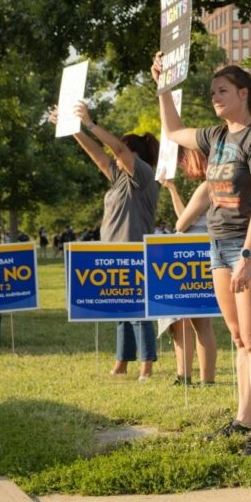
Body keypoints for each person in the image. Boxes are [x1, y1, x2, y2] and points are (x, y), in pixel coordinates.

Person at [154, 57, 251, 458]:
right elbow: (174, 130)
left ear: (243, 94)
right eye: (212, 93)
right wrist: (162, 87)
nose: (215, 98)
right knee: (239, 337)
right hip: (218, 242)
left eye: (222, 91)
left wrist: (247, 255)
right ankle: (243, 418)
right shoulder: (216, 137)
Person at [54, 101, 160, 382]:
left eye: (122, 153)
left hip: (134, 251)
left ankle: (146, 366)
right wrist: (73, 129)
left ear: (135, 155)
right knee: (121, 310)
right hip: (113, 251)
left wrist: (90, 123)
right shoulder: (119, 179)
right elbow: (98, 155)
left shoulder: (144, 175)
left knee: (138, 311)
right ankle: (122, 362)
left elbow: (118, 150)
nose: (115, 158)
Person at [160, 147, 218, 386]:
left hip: (192, 257)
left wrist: (172, 190)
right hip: (207, 255)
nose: (182, 165)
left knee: (187, 321)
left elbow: (182, 223)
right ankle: (207, 380)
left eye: (184, 160)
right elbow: (188, 218)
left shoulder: (207, 186)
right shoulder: (221, 185)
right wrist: (173, 189)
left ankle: (186, 376)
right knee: (202, 322)